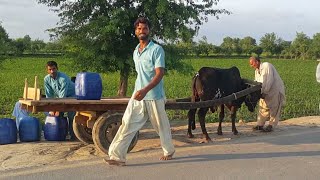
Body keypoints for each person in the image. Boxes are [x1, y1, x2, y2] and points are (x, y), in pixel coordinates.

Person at [104, 17, 175, 166]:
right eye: (139, 28)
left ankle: (168, 151)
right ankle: (117, 156)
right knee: (127, 123)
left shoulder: (156, 49)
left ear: (149, 31)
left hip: (154, 95)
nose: (142, 31)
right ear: (135, 31)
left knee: (161, 126)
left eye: (144, 28)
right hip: (138, 95)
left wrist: (145, 90)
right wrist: (139, 91)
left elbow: (159, 73)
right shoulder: (136, 51)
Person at [249, 56, 285, 132]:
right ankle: (260, 124)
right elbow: (256, 82)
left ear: (257, 62)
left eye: (252, 64)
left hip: (274, 90)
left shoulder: (266, 66)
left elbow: (269, 81)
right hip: (264, 91)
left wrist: (265, 92)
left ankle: (271, 125)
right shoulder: (256, 70)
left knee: (274, 108)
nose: (251, 66)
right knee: (262, 107)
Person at [44, 61, 76, 140]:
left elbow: (63, 95)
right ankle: (61, 135)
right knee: (57, 115)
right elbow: (49, 95)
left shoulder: (63, 78)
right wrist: (51, 108)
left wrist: (57, 108)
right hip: (60, 97)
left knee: (71, 115)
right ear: (47, 70)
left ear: (57, 69)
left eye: (54, 69)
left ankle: (73, 136)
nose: (52, 71)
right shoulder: (46, 79)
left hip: (72, 96)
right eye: (50, 69)